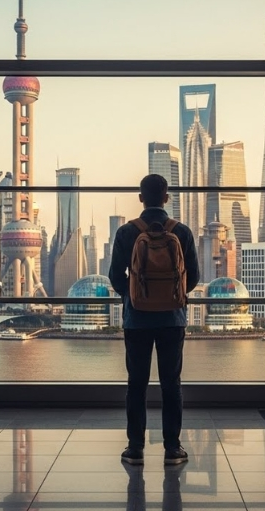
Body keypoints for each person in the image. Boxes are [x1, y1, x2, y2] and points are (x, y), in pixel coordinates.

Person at [109, 174, 199, 466]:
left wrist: (133, 296)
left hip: (137, 320)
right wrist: (171, 295)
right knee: (171, 383)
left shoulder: (126, 232)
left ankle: (135, 448)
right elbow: (193, 278)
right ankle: (172, 448)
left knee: (136, 383)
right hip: (172, 319)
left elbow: (114, 277)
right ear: (166, 197)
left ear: (140, 197)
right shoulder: (181, 232)